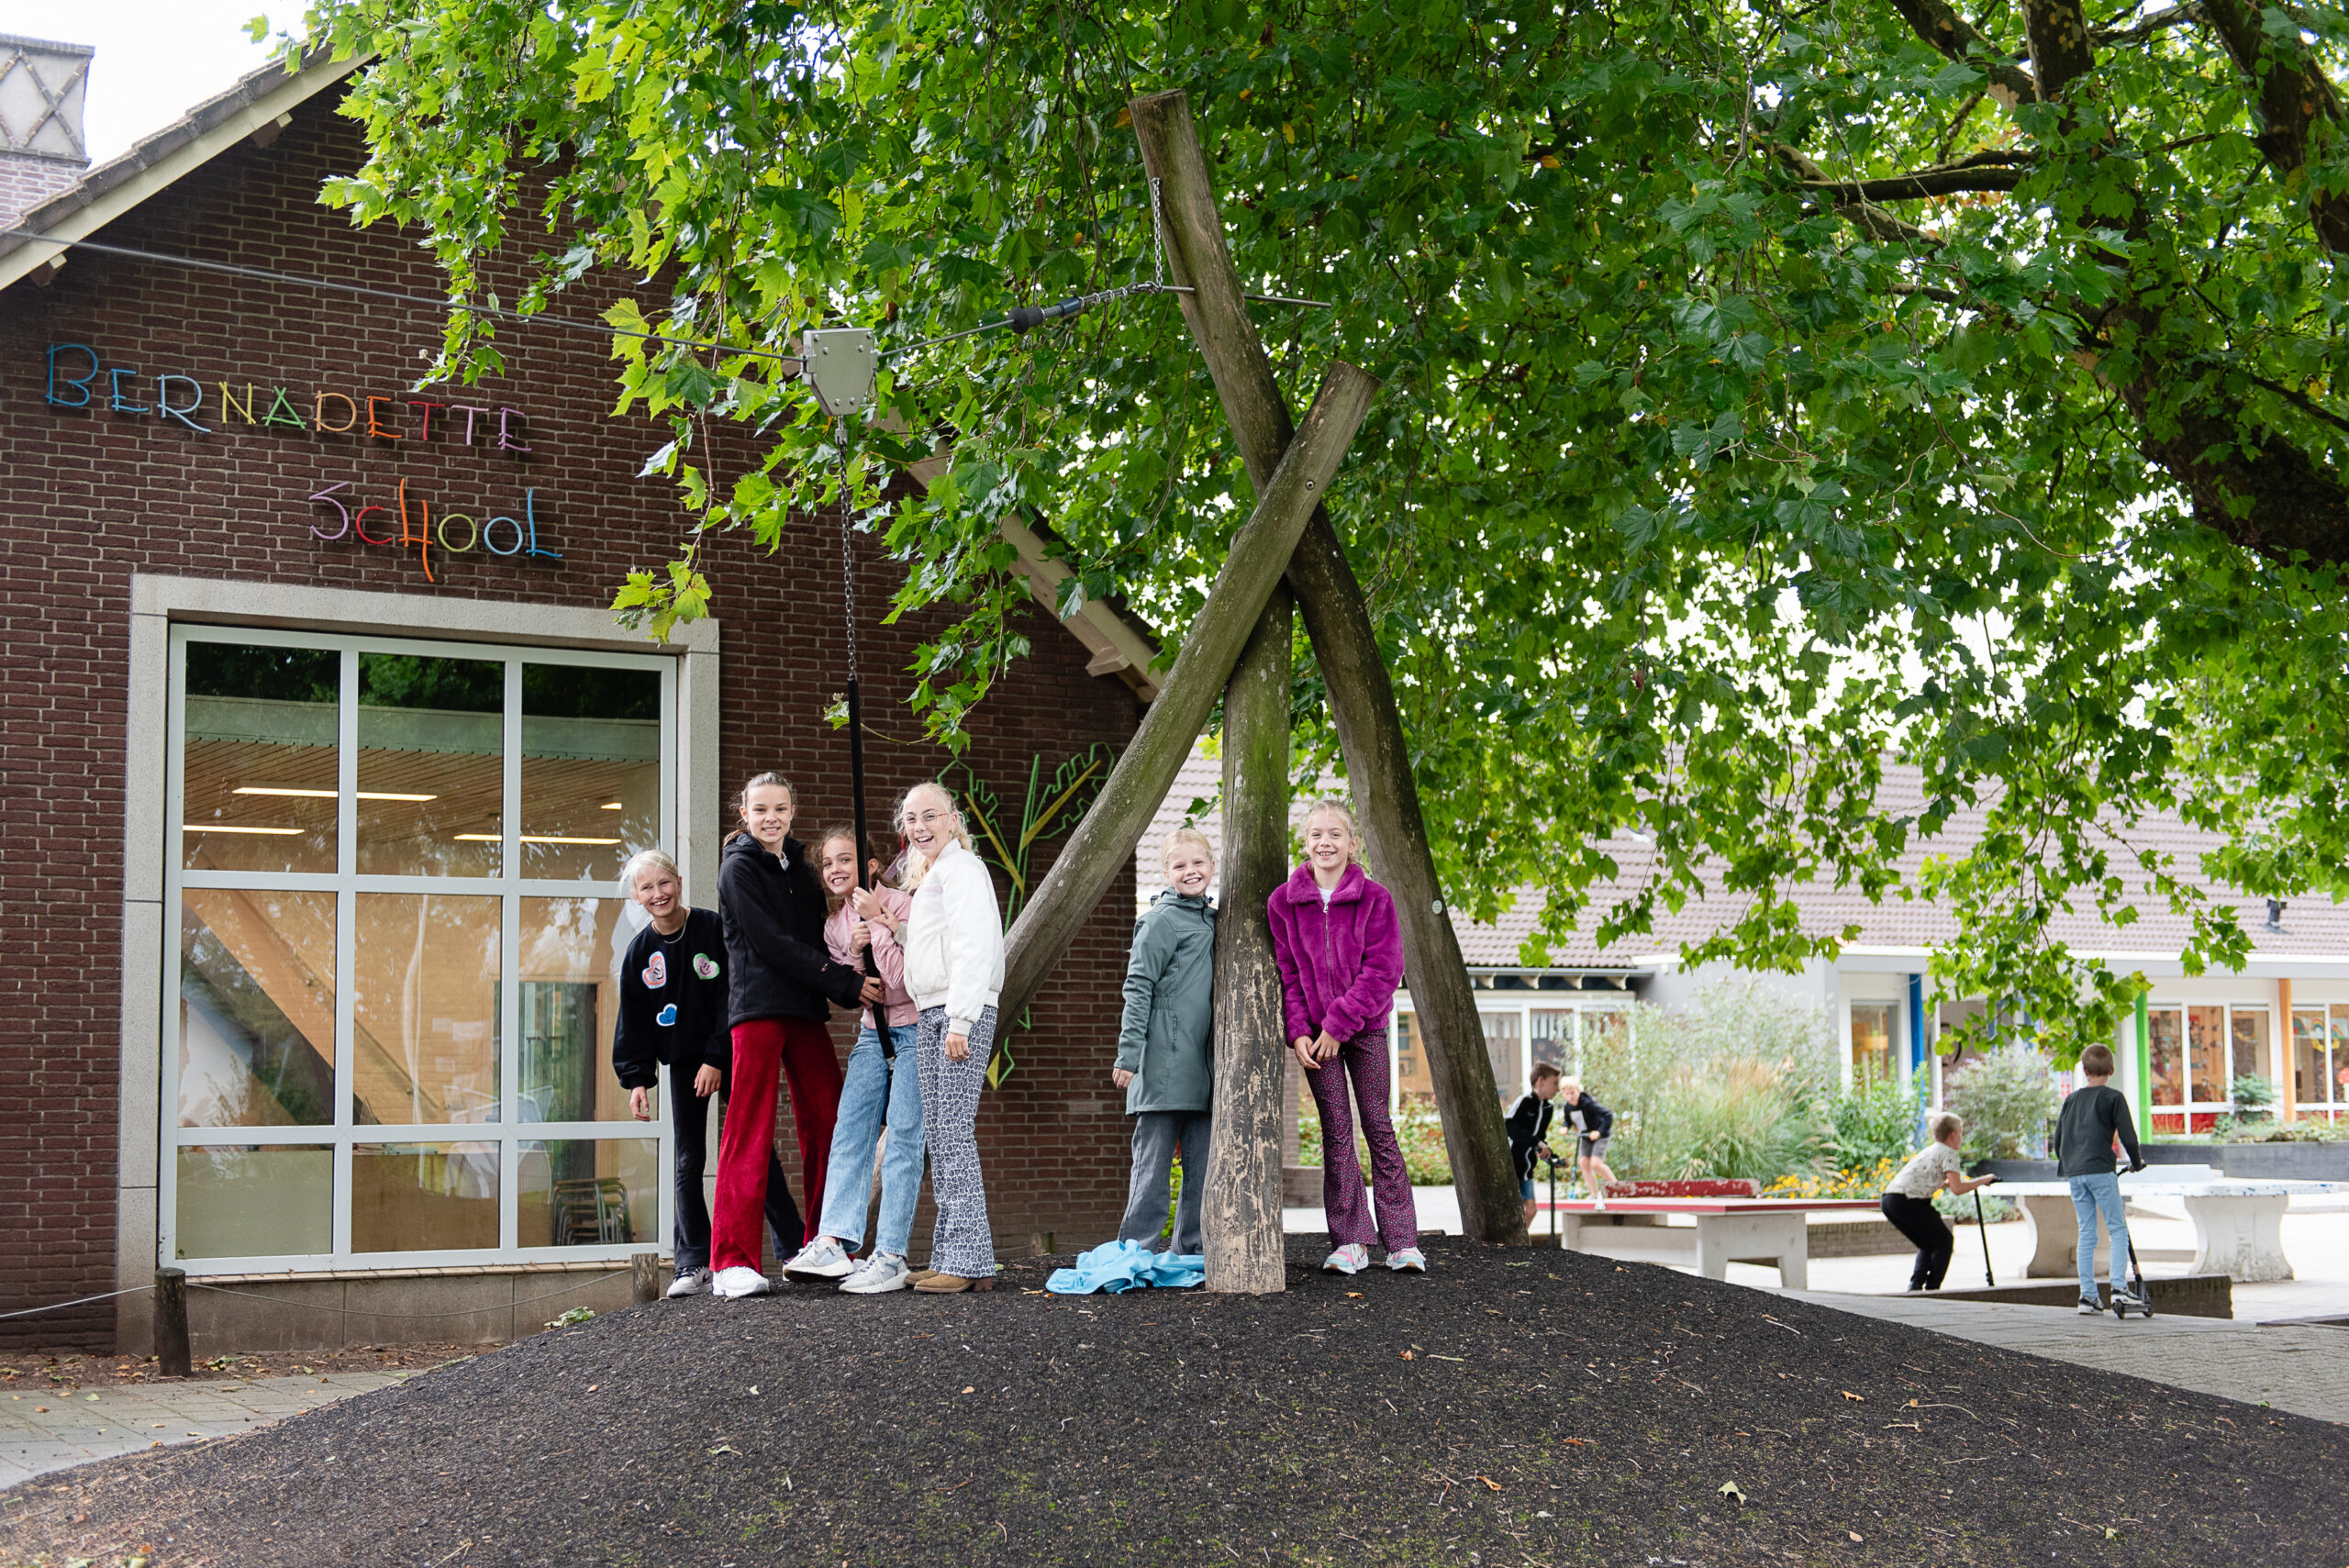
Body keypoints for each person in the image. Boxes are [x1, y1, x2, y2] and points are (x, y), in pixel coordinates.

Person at [708, 773, 880, 1299]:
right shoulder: (737, 869)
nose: (771, 818)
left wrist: (854, 946)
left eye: (780, 809)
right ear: (744, 813)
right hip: (758, 1009)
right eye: (760, 809)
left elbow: (816, 938)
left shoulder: (800, 870)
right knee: (749, 1128)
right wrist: (847, 984)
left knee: (830, 1122)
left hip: (804, 1009)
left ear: (792, 810)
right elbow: (771, 943)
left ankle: (825, 1246)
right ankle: (731, 1261)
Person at [610, 848, 801, 1297]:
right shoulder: (640, 954)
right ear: (636, 898)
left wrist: (716, 1057)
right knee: (688, 1161)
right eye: (647, 888)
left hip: (729, 1053)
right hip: (681, 1062)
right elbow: (633, 1022)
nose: (658, 894)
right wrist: (637, 1079)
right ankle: (692, 1262)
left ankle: (793, 1247)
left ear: (678, 881)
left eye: (664, 883)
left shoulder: (713, 928)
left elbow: (734, 995)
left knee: (755, 1150)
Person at [1267, 797, 1422, 1276]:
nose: (1325, 842)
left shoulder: (1376, 898)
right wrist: (1299, 1032)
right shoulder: (1283, 902)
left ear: (1352, 843)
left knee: (1378, 1127)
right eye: (1316, 834)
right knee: (1336, 1132)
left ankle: (1401, 1242)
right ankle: (1350, 1242)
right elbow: (1288, 975)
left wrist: (1339, 1024)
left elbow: (1384, 970)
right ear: (1305, 842)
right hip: (1316, 1041)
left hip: (1367, 1028)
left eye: (1335, 834)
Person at [781, 828, 925, 1295]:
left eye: (846, 860)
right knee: (850, 1130)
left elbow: (905, 983)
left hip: (915, 1030)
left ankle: (890, 1255)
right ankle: (834, 1241)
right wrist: (858, 955)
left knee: (904, 1134)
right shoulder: (833, 926)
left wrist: (879, 926)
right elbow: (863, 992)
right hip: (871, 1033)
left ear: (872, 866)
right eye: (828, 863)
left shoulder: (904, 905)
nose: (835, 869)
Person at [896, 781, 1006, 1293]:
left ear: (952, 819)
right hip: (934, 1012)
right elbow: (933, 945)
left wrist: (961, 1019)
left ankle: (967, 1261)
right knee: (940, 1136)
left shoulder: (963, 867)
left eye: (930, 816)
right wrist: (888, 925)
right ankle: (957, 1256)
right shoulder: (937, 872)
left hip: (957, 1015)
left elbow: (973, 941)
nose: (919, 827)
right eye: (911, 819)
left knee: (953, 1133)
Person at [1111, 828, 1219, 1256]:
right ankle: (1135, 1251)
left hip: (1204, 1065)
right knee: (1152, 1166)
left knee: (1201, 1167)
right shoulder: (1159, 921)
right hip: (1161, 1063)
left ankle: (1189, 1251)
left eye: (1198, 863)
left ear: (1212, 866)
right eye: (1180, 865)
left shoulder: (1212, 918)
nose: (1190, 872)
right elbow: (1137, 987)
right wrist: (1128, 1055)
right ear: (1166, 872)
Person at [2053, 1042, 2146, 1315]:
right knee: (2117, 1229)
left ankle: (2088, 1297)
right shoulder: (2113, 1098)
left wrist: (2070, 1163)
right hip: (2100, 1171)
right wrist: (2137, 1163)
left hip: (2075, 1174)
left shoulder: (2071, 1099)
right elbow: (2129, 1137)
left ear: (2084, 1070)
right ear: (2112, 1070)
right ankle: (2119, 1287)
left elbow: (2058, 1139)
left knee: (2087, 1233)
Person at [1879, 1112, 1999, 1292]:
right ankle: (1933, 1287)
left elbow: (1935, 1179)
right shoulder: (1950, 1153)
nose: (1961, 1137)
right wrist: (1983, 1180)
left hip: (1890, 1200)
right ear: (1953, 1135)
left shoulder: (1931, 1150)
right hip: (1909, 1200)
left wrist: (1945, 1184)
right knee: (1944, 1241)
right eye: (1961, 1132)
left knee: (1928, 1242)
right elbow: (1957, 1189)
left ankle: (1916, 1286)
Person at [1505, 1062, 1565, 1229]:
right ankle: (1511, 1245)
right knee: (1514, 1210)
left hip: (1527, 1167)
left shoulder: (1548, 1108)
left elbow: (1540, 1139)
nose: (1558, 1089)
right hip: (1513, 1165)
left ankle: (1518, 1244)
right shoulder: (1524, 1101)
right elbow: (1509, 1126)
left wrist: (1554, 1158)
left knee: (1531, 1210)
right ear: (1540, 1081)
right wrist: (1536, 1142)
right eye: (1555, 1083)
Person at [1555, 1077, 1617, 1209]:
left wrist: (1599, 1131)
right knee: (1583, 1162)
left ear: (1578, 1091)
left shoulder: (1588, 1103)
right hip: (1585, 1136)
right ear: (1563, 1095)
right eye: (1567, 1094)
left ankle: (1617, 1187)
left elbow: (1608, 1115)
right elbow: (1568, 1120)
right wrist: (1565, 1127)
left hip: (1599, 1135)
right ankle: (1594, 1195)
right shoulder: (1567, 1107)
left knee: (1595, 1163)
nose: (1571, 1097)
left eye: (1573, 1093)